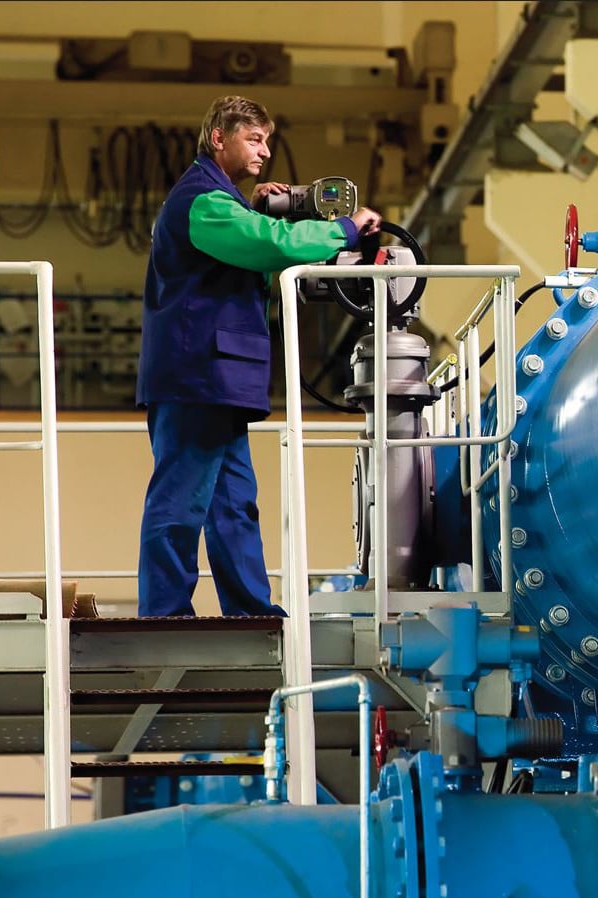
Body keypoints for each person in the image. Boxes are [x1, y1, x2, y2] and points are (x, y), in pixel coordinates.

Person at [136, 94, 381, 617]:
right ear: (218, 138)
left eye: (267, 140)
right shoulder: (200, 199)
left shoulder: (221, 201)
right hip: (196, 375)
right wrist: (342, 229)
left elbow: (247, 246)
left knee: (233, 505)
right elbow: (265, 242)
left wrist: (252, 204)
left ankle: (250, 609)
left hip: (220, 378)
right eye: (254, 138)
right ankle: (163, 615)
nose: (265, 151)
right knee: (181, 502)